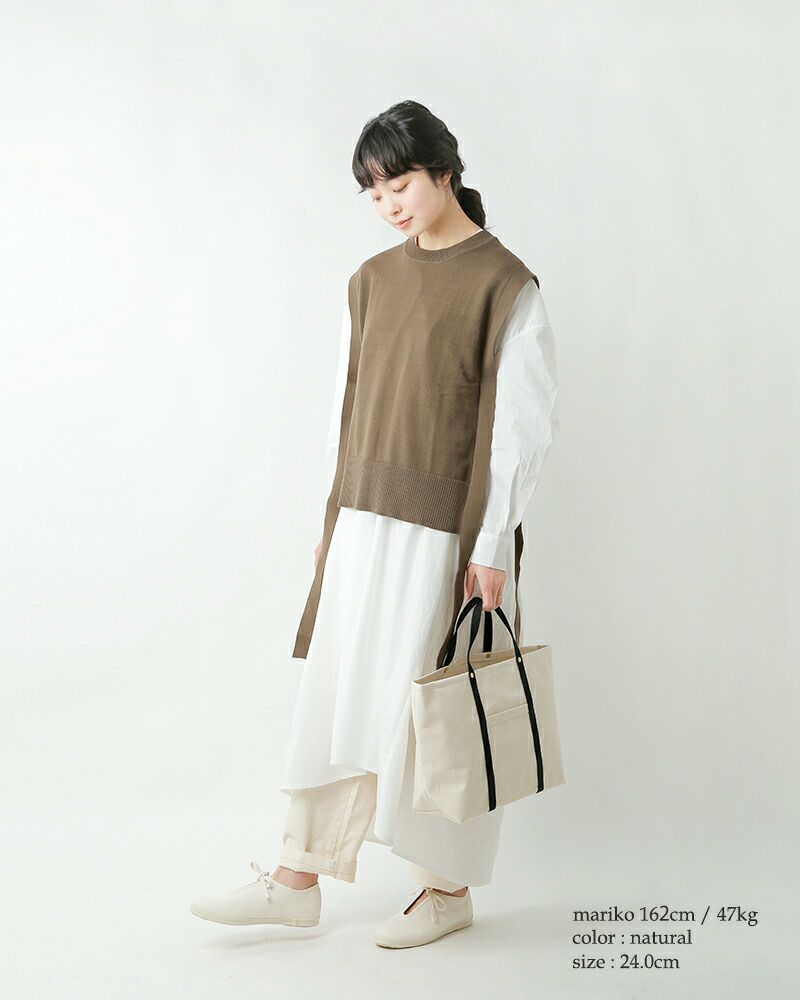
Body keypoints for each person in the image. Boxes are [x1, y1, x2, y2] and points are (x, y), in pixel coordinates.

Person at [190, 100, 560, 949]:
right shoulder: (369, 280)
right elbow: (347, 407)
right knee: (335, 696)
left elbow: (523, 426)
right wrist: (334, 518)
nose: (389, 203)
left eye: (400, 184)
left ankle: (447, 889)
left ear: (444, 171)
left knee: (435, 710)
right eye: (374, 192)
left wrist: (493, 543)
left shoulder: (505, 284)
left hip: (445, 535)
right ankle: (297, 877)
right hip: (364, 520)